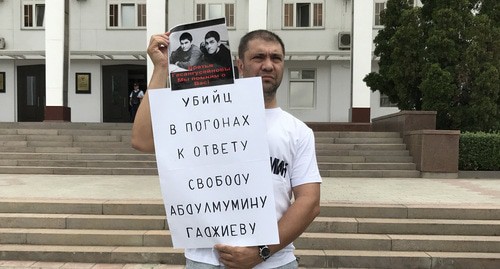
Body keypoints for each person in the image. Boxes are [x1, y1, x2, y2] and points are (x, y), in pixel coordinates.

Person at [131, 30, 321, 269]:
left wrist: (261, 252)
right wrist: (160, 69)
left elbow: (309, 201)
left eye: (276, 58)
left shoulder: (297, 131)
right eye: (259, 57)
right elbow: (142, 139)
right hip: (206, 258)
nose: (268, 65)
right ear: (240, 65)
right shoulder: (203, 117)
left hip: (273, 262)